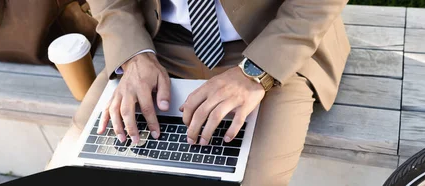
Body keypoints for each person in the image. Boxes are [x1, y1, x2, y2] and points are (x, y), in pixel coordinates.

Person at [47, 0, 351, 185]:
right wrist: (132, 52)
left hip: (273, 40)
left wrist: (258, 71)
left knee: (255, 179)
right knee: (76, 165)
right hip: (156, 39)